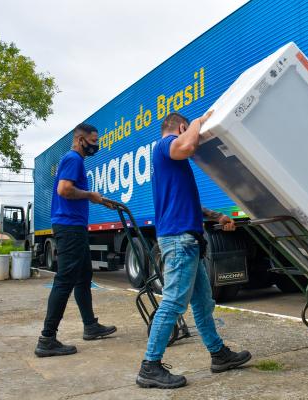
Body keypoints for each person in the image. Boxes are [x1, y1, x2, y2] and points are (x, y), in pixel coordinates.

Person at [136, 112, 251, 390]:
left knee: (202, 303)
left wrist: (217, 216)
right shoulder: (166, 146)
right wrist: (199, 122)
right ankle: (150, 366)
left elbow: (188, 205)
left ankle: (218, 354)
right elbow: (187, 145)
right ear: (181, 127)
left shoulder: (169, 163)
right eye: (187, 129)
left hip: (187, 241)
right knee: (174, 302)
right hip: (179, 242)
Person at [35, 123, 116, 358]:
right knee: (65, 280)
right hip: (69, 227)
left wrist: (99, 200)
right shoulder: (73, 159)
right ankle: (47, 338)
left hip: (74, 226)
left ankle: (90, 325)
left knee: (83, 276)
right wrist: (90, 195)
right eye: (92, 141)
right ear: (80, 140)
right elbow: (64, 190)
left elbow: (74, 193)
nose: (95, 145)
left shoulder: (74, 160)